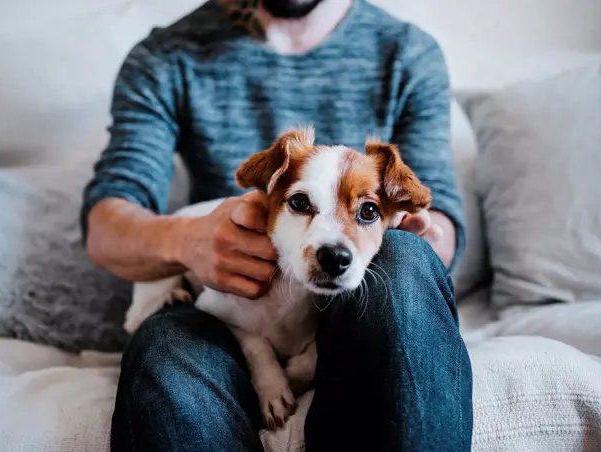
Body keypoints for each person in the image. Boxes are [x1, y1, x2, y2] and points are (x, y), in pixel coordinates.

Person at [81, 0, 473, 450]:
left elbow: (438, 216)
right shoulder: (167, 55)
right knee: (167, 342)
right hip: (227, 299)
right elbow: (106, 224)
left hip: (367, 301)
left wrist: (403, 236)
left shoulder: (407, 52)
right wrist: (187, 240)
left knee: (405, 262)